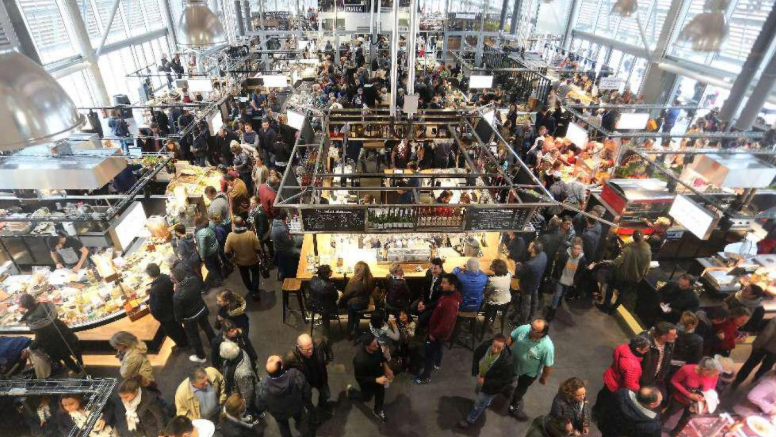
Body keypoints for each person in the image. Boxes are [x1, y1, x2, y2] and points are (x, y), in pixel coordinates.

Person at [18, 293, 84, 377]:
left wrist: (30, 348)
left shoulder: (30, 320)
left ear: (24, 306)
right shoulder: (46, 305)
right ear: (33, 299)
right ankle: (81, 364)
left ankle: (78, 372)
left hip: (54, 344)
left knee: (66, 358)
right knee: (75, 350)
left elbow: (40, 337)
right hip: (64, 333)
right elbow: (55, 315)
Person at [457, 334, 515, 428]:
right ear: (492, 342)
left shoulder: (507, 362)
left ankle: (470, 419)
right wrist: (477, 372)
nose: (495, 350)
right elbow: (477, 355)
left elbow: (504, 381)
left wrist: (484, 382)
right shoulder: (486, 346)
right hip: (483, 378)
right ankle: (487, 402)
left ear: (504, 346)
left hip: (491, 388)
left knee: (479, 403)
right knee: (478, 392)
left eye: (499, 348)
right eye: (494, 346)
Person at [413, 274, 462, 384]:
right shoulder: (449, 296)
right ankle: (437, 364)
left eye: (444, 283)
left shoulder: (450, 303)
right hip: (440, 334)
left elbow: (446, 324)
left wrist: (433, 334)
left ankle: (425, 376)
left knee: (429, 354)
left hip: (437, 334)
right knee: (439, 348)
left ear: (452, 286)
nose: (441, 285)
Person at [507, 318, 555, 421]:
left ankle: (513, 406)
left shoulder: (547, 347)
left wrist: (544, 378)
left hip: (529, 372)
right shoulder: (524, 328)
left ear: (541, 334)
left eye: (533, 329)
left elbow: (548, 365)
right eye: (531, 326)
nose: (529, 329)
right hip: (513, 363)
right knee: (508, 378)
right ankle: (506, 387)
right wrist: (504, 352)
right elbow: (512, 337)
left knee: (521, 388)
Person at [255, 355, 315, 437]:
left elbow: (260, 405)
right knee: (302, 422)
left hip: (279, 413)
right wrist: (307, 402)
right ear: (282, 366)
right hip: (296, 406)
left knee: (284, 430)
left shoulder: (262, 387)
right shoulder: (295, 375)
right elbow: (306, 391)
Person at [593, 335, 650, 420]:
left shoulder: (622, 347)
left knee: (603, 395)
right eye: (646, 349)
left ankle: (596, 410)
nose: (647, 350)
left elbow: (614, 357)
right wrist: (639, 387)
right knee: (609, 403)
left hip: (610, 377)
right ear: (638, 349)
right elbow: (630, 385)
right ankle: (599, 416)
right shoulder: (633, 366)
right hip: (616, 386)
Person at [597, 230, 652, 314]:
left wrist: (605, 262)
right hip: (634, 278)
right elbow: (647, 267)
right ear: (643, 238)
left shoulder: (627, 249)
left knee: (610, 287)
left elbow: (616, 263)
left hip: (622, 276)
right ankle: (613, 309)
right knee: (623, 293)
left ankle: (605, 306)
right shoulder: (648, 251)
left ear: (633, 237)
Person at [664, 357, 722, 436]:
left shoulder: (715, 375)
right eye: (711, 374)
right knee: (669, 413)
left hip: (695, 403)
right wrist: (689, 395)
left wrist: (705, 399)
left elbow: (711, 389)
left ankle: (674, 433)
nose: (713, 376)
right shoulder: (687, 369)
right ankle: (655, 428)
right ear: (704, 369)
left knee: (686, 420)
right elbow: (674, 381)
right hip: (680, 398)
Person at [172, 265, 216, 363]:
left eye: (171, 278)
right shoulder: (194, 279)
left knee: (194, 336)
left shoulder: (177, 295)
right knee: (207, 326)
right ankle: (215, 344)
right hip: (201, 309)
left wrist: (180, 321)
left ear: (175, 280)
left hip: (190, 318)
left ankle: (201, 356)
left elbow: (178, 313)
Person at [348, 334, 394, 423]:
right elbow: (360, 378)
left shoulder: (376, 346)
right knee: (366, 397)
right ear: (366, 346)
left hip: (379, 376)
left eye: (377, 343)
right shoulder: (359, 360)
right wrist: (376, 380)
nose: (377, 346)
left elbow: (381, 357)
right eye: (374, 345)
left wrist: (387, 368)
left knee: (380, 393)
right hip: (368, 383)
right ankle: (351, 392)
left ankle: (378, 410)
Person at [285, 333, 334, 413]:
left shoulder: (319, 344)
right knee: (306, 399)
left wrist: (329, 357)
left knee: (326, 395)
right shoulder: (290, 357)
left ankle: (322, 405)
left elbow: (326, 342)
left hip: (320, 377)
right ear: (298, 347)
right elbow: (284, 371)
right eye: (306, 350)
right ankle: (311, 411)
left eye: (311, 347)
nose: (310, 351)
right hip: (305, 382)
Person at [146, 263, 189, 349]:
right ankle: (186, 340)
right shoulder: (166, 277)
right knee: (178, 327)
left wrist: (151, 310)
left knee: (172, 331)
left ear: (150, 275)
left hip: (166, 315)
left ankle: (183, 345)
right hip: (173, 305)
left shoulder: (155, 289)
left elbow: (156, 309)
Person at [597, 386, 662, 437]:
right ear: (652, 405)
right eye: (660, 401)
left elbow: (607, 405)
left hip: (608, 429)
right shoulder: (653, 425)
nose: (660, 402)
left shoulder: (621, 394)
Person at [224, 216, 263, 301]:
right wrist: (261, 257)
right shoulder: (250, 234)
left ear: (234, 225)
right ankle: (255, 290)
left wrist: (233, 260)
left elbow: (226, 252)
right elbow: (258, 248)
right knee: (255, 275)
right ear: (243, 223)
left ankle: (251, 289)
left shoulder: (230, 236)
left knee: (245, 277)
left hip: (240, 262)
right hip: (253, 260)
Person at [219, 341, 259, 419]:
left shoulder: (242, 373)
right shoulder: (239, 351)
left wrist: (244, 407)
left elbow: (247, 393)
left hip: (238, 395)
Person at [734, 316, 776, 388]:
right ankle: (755, 384)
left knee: (749, 364)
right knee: (766, 368)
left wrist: (756, 345)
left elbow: (766, 335)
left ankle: (737, 381)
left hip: (762, 346)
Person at [549, 242, 586, 320]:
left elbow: (581, 272)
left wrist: (575, 281)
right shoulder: (565, 255)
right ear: (572, 248)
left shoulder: (582, 260)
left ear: (581, 250)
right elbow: (558, 265)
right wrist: (558, 276)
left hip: (570, 281)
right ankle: (552, 311)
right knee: (557, 295)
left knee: (563, 293)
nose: (576, 250)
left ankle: (558, 303)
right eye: (575, 248)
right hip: (561, 279)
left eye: (578, 249)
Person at [514, 241, 548, 325]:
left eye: (530, 246)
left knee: (526, 305)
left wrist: (518, 265)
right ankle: (531, 317)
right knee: (534, 301)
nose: (528, 246)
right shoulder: (543, 255)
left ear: (533, 249)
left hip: (527, 286)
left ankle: (522, 323)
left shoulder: (530, 264)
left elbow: (518, 274)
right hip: (536, 282)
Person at [339, 261, 375, 338]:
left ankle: (350, 331)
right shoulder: (370, 279)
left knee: (351, 311)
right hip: (365, 302)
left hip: (356, 305)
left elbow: (346, 295)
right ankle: (356, 328)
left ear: (357, 270)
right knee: (354, 310)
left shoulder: (354, 281)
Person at [639, 322, 678, 390]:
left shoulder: (670, 344)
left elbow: (667, 362)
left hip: (654, 380)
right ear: (663, 336)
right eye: (673, 335)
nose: (676, 336)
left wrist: (661, 376)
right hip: (640, 380)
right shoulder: (644, 343)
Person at [412, 257, 445, 327]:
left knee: (423, 318)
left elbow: (440, 300)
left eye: (435, 268)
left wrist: (426, 306)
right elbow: (423, 289)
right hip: (426, 300)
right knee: (412, 308)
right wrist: (421, 301)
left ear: (441, 268)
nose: (432, 271)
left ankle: (426, 329)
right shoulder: (428, 273)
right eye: (431, 268)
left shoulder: (445, 279)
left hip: (435, 304)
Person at [271, 210, 302, 280]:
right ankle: (300, 272)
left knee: (301, 238)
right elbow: (291, 242)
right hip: (286, 250)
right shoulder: (282, 229)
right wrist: (296, 237)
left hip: (280, 247)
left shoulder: (275, 224)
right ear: (285, 217)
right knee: (302, 252)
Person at [195, 213, 223, 289]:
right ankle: (221, 276)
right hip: (215, 248)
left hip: (209, 253)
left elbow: (203, 247)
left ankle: (218, 281)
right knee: (217, 263)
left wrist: (202, 256)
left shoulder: (201, 233)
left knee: (211, 267)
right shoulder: (210, 224)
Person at [308, 265, 339, 333]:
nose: (331, 271)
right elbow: (335, 297)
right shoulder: (330, 286)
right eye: (330, 271)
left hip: (312, 304)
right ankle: (326, 334)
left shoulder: (312, 279)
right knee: (341, 295)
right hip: (324, 308)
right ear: (327, 274)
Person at [482, 259, 512, 329]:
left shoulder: (492, 281)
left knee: (481, 297)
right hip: (506, 301)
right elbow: (509, 272)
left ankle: (483, 315)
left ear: (494, 269)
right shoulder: (508, 275)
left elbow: (486, 292)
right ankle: (492, 318)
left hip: (493, 303)